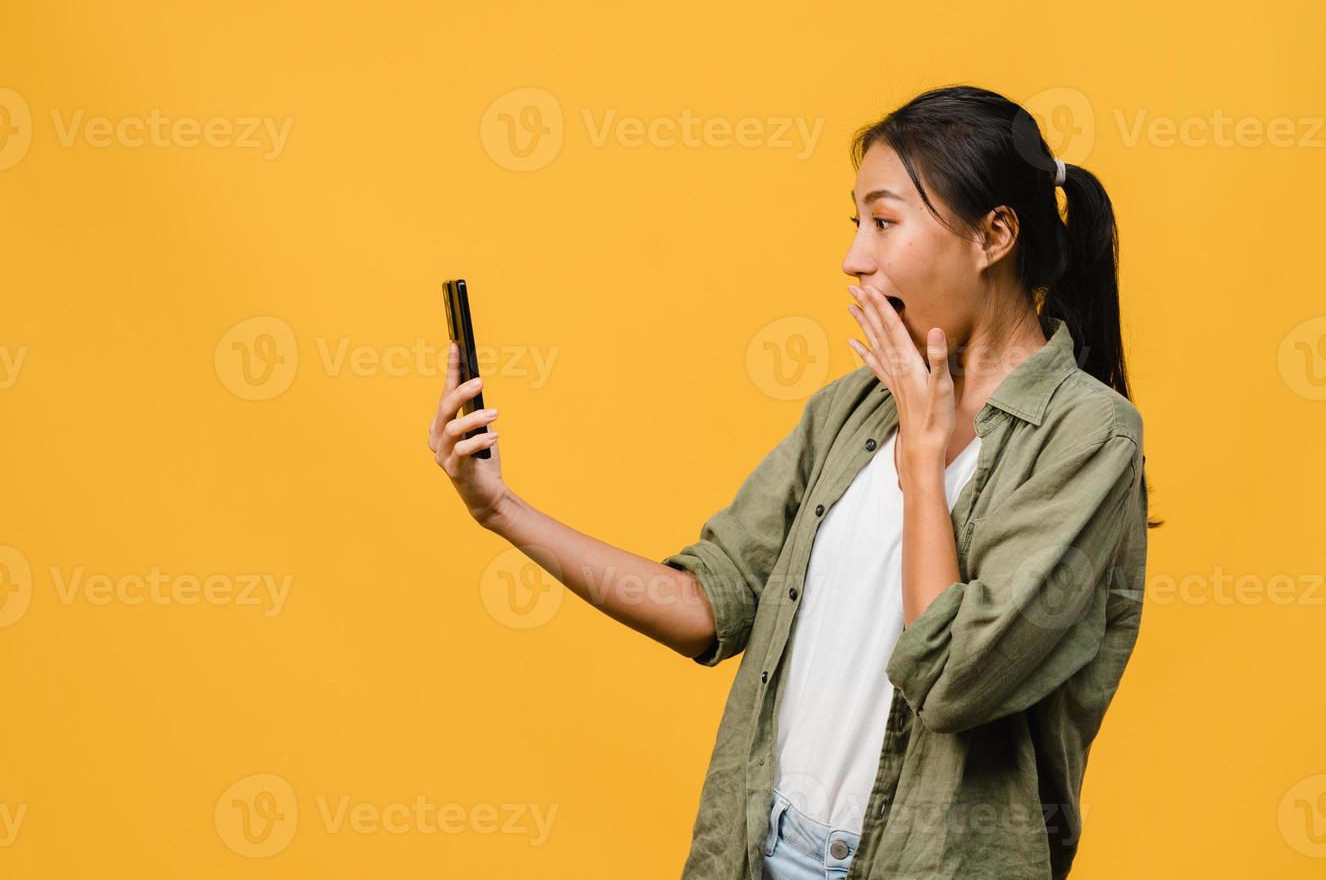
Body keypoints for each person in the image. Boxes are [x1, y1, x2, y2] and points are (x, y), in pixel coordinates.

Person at [428, 85, 1160, 880]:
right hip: (760, 853)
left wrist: (923, 457)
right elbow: (709, 606)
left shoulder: (1089, 439)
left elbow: (953, 678)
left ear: (994, 235)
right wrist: (500, 508)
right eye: (857, 225)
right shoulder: (850, 411)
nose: (855, 258)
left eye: (885, 222)